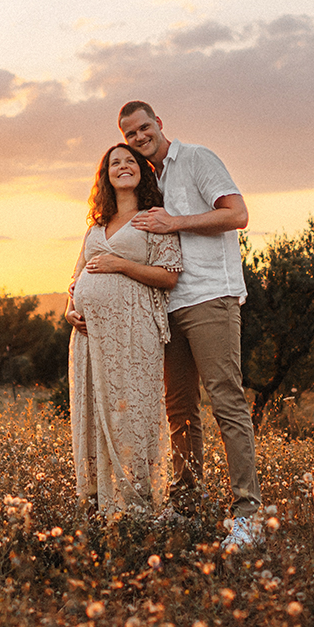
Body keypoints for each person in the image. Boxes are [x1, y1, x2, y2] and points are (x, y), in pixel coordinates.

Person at [119, 100, 263, 550]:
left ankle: (248, 517)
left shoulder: (197, 158)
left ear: (159, 124)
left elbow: (237, 215)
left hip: (209, 297)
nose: (140, 138)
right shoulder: (147, 180)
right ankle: (185, 506)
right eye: (130, 135)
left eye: (144, 129)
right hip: (167, 304)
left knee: (227, 402)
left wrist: (174, 223)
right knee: (179, 409)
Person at [63, 143, 183, 518]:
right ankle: (100, 501)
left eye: (130, 160)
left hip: (134, 332)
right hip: (88, 337)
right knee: (95, 411)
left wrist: (119, 264)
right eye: (115, 163)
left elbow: (168, 276)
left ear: (142, 171)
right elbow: (76, 275)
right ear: (106, 175)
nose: (123, 166)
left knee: (132, 410)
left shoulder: (153, 219)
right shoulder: (96, 225)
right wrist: (70, 308)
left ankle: (138, 502)